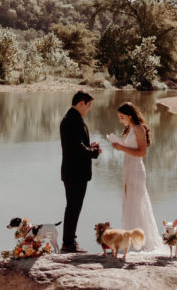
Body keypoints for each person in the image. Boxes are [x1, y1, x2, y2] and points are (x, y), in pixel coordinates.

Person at [110, 101, 162, 252]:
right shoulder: (129, 129)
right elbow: (129, 148)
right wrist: (119, 144)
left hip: (136, 171)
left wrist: (121, 147)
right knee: (129, 203)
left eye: (122, 117)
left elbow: (142, 152)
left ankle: (140, 242)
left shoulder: (139, 129)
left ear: (129, 115)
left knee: (137, 204)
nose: (120, 120)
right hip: (128, 170)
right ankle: (130, 240)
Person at [59, 91, 101, 253]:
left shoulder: (72, 118)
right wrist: (95, 152)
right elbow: (77, 148)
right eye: (89, 105)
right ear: (81, 103)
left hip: (73, 171)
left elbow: (78, 145)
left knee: (73, 207)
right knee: (73, 207)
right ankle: (68, 244)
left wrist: (91, 147)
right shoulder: (72, 120)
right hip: (75, 172)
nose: (90, 109)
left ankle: (69, 241)